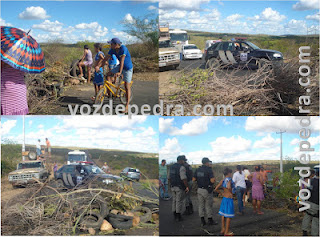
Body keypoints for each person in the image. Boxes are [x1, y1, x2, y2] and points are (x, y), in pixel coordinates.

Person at [101, 38, 133, 114]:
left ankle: (127, 106)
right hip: (120, 66)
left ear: (116, 44)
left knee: (126, 86)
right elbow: (105, 58)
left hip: (127, 68)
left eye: (111, 44)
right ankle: (110, 93)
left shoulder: (123, 48)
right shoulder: (112, 50)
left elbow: (122, 61)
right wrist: (98, 66)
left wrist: (119, 72)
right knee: (108, 74)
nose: (110, 45)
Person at [193, 157, 217, 226]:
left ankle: (202, 221)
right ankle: (210, 220)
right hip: (207, 190)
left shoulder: (198, 169)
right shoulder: (209, 170)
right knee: (208, 205)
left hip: (199, 189)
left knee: (201, 205)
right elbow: (212, 180)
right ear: (207, 163)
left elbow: (194, 179)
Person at [215, 167, 235, 236]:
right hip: (229, 199)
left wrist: (222, 193)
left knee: (223, 215)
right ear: (229, 173)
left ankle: (223, 229)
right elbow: (229, 187)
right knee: (228, 216)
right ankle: (227, 232)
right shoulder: (229, 180)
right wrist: (230, 193)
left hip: (224, 198)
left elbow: (216, 189)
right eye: (231, 173)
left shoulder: (222, 180)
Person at [168, 155, 189, 221]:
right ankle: (178, 216)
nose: (184, 161)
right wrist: (186, 186)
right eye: (183, 160)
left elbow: (169, 177)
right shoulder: (181, 167)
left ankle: (174, 214)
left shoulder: (171, 167)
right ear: (181, 160)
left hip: (173, 186)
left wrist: (171, 184)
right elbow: (183, 178)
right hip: (179, 187)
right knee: (178, 201)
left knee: (174, 200)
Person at [302, 165, 319, 236]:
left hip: (308, 202)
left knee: (307, 215)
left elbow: (305, 191)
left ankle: (304, 231)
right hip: (316, 205)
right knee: (316, 219)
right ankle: (314, 234)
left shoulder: (310, 181)